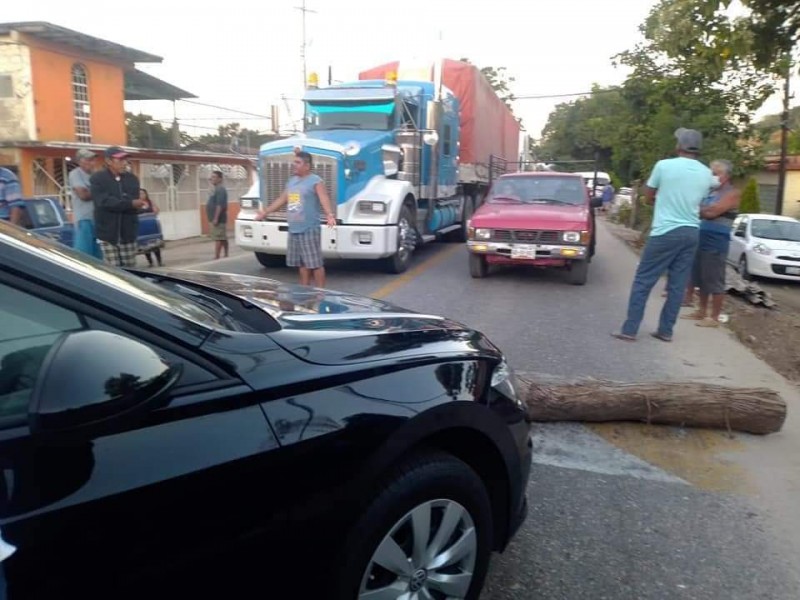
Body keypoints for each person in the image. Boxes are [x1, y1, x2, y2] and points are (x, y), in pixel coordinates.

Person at [613, 128, 717, 342]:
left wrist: (654, 200)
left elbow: (648, 194)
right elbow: (701, 199)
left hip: (665, 231)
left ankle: (630, 329)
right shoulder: (707, 173)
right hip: (691, 232)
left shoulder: (664, 166)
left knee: (644, 280)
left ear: (679, 146)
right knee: (677, 284)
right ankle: (666, 330)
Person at [255, 150, 336, 287]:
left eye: (298, 163)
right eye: (294, 162)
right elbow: (282, 199)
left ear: (307, 165)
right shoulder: (292, 182)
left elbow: (324, 198)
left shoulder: (315, 181)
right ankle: (305, 290)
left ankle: (321, 293)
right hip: (294, 228)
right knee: (302, 263)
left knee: (315, 263)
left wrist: (329, 215)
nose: (294, 165)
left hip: (309, 228)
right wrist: (265, 212)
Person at [681, 159, 741, 327]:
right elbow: (701, 209)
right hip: (701, 235)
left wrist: (701, 210)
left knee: (714, 277)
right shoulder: (710, 192)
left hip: (717, 239)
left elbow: (712, 212)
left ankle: (714, 317)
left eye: (717, 174)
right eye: (711, 173)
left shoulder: (732, 193)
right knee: (700, 276)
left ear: (726, 176)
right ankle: (701, 311)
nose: (713, 177)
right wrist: (703, 210)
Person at [91, 146, 146, 267]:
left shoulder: (132, 179)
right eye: (120, 160)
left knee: (130, 271)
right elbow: (104, 201)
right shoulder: (97, 178)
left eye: (125, 160)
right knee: (114, 272)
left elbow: (132, 201)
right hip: (107, 234)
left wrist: (131, 204)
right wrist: (129, 203)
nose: (124, 163)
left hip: (128, 234)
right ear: (109, 161)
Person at [69, 149, 103, 258]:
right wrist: (99, 190)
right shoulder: (75, 174)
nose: (91, 162)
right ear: (79, 161)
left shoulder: (97, 175)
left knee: (98, 257)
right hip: (84, 219)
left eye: (93, 159)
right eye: (88, 160)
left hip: (98, 219)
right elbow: (83, 195)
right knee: (83, 256)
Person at [206, 170, 229, 259]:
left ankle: (217, 256)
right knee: (222, 237)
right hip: (216, 218)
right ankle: (226, 254)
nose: (212, 179)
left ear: (220, 179)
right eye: (211, 177)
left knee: (218, 237)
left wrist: (216, 218)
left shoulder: (220, 189)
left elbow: (219, 205)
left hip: (219, 219)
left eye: (214, 177)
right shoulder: (215, 189)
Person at [139, 188, 163, 267]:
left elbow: (157, 210)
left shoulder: (150, 202)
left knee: (155, 244)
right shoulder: (137, 204)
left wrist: (153, 211)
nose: (142, 195)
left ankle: (159, 262)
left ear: (146, 194)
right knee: (145, 246)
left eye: (143, 193)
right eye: (140, 193)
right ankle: (150, 262)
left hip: (152, 225)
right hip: (142, 226)